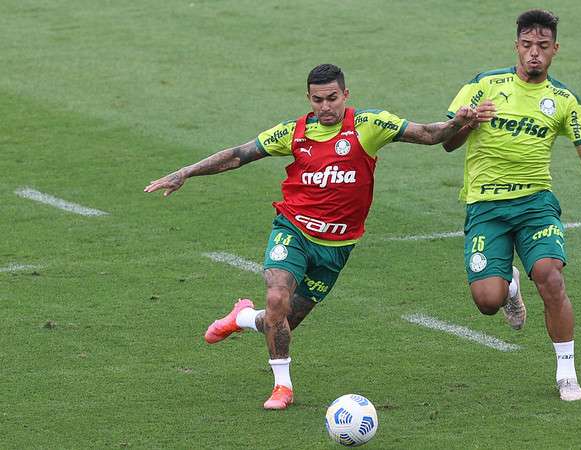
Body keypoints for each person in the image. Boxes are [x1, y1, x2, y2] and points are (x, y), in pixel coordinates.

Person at [145, 64, 482, 410]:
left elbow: (428, 133)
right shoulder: (294, 133)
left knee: (281, 323)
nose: (326, 107)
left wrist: (458, 122)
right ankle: (282, 388)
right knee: (277, 299)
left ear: (346, 96)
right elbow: (238, 155)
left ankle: (242, 317)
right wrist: (186, 172)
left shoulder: (368, 125)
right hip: (293, 230)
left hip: (336, 248)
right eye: (318, 100)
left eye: (332, 98)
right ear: (308, 98)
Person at [442, 9, 581, 401]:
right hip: (486, 206)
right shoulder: (484, 85)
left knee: (550, 277)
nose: (535, 53)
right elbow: (447, 141)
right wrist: (466, 122)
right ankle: (510, 285)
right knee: (487, 302)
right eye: (528, 45)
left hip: (535, 205)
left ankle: (566, 373)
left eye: (543, 47)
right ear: (516, 46)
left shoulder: (564, 100)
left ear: (555, 50)